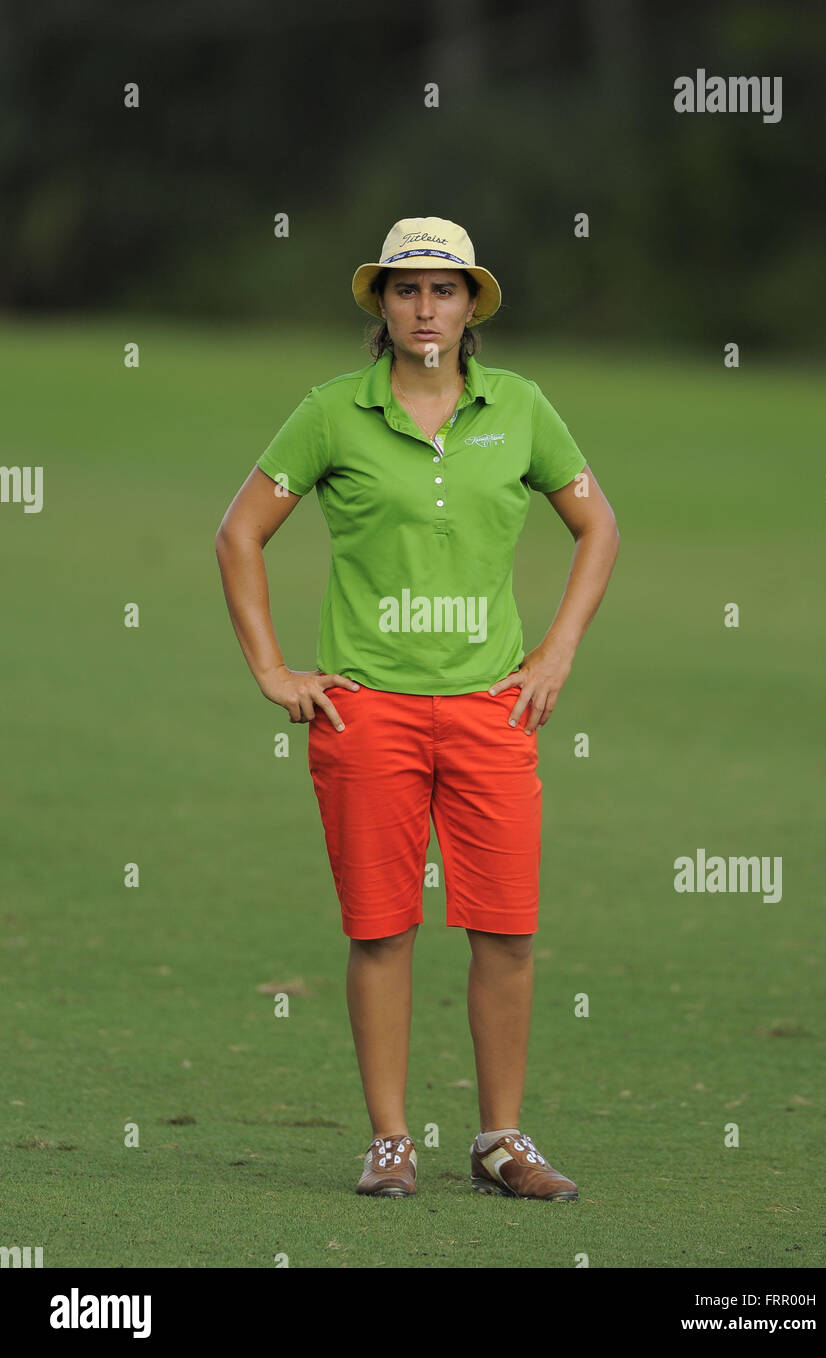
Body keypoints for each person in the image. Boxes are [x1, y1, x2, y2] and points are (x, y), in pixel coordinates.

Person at [215, 216, 620, 1201]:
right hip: (367, 712)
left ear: (471, 304)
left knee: (507, 930)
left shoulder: (518, 407)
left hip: (490, 709)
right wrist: (275, 671)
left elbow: (595, 521)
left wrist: (555, 650)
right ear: (381, 306)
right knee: (380, 929)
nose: (424, 307)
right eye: (405, 289)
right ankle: (390, 1139)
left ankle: (498, 1140)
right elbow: (238, 533)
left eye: (443, 289)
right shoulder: (330, 413)